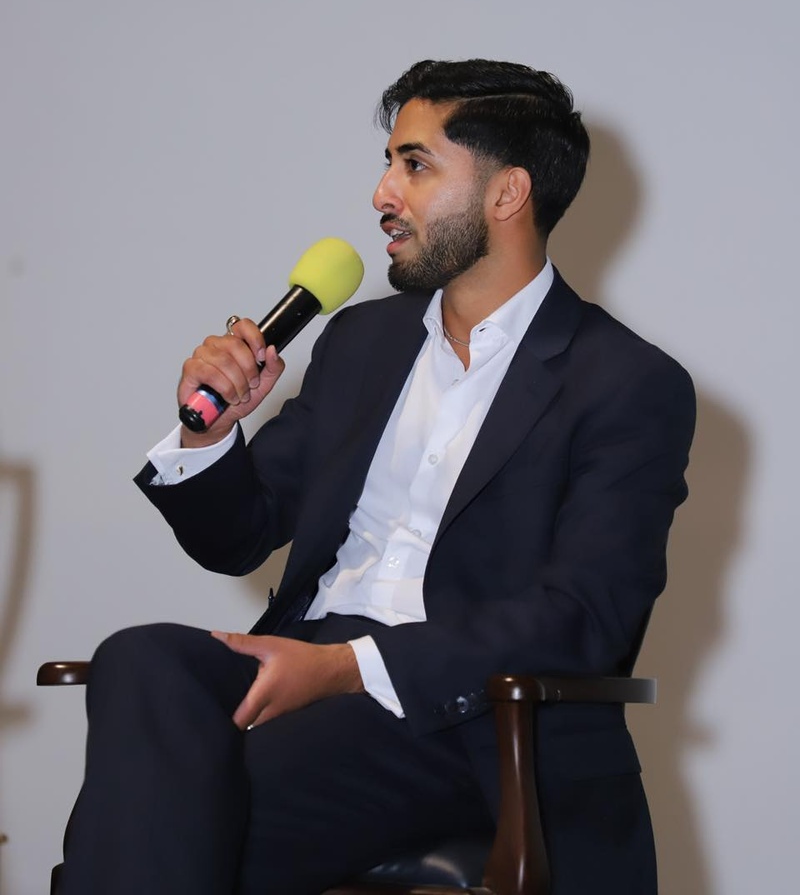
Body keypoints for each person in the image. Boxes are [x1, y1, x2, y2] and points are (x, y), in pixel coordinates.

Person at [59, 59, 695, 895]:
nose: (381, 194)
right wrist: (206, 430)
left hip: (457, 715)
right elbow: (239, 537)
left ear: (508, 194)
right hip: (305, 665)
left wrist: (351, 667)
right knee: (140, 658)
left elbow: (585, 618)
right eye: (390, 162)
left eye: (415, 165)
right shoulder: (362, 343)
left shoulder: (623, 381)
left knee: (153, 829)